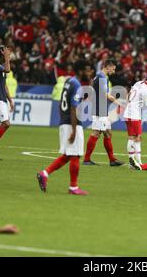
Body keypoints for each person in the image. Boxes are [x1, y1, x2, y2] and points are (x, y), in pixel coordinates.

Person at [36, 60, 93, 195]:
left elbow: (69, 101)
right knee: (76, 155)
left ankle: (45, 173)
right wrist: (73, 130)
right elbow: (73, 108)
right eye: (87, 70)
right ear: (80, 71)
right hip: (71, 123)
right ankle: (73, 187)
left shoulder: (69, 82)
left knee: (68, 155)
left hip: (65, 121)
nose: (90, 72)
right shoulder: (77, 85)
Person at [83, 59, 124, 167]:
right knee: (96, 133)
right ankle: (87, 159)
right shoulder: (102, 77)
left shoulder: (98, 76)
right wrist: (118, 103)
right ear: (108, 67)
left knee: (107, 133)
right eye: (113, 69)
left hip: (100, 108)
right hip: (99, 109)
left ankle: (112, 160)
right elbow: (106, 95)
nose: (113, 71)